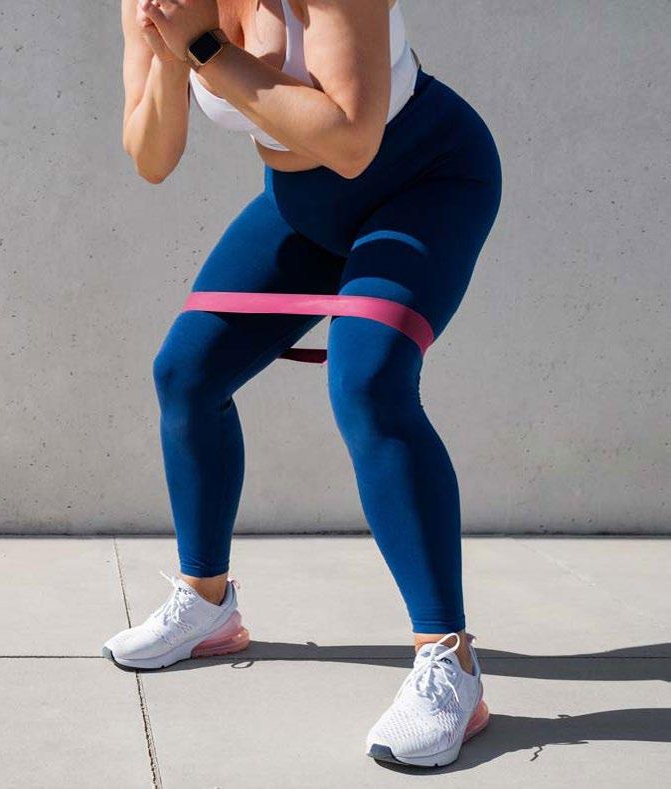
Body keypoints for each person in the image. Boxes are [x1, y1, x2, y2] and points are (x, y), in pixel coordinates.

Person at [103, 0, 502, 769]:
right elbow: (151, 157)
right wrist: (168, 55)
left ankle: (449, 660)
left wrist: (205, 46)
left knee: (369, 380)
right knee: (186, 373)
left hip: (425, 179)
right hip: (305, 206)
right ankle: (208, 605)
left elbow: (351, 141)